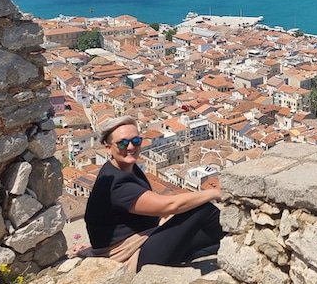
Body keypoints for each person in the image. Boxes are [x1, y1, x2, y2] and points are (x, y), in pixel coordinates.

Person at [84, 115, 223, 272]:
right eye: (122, 143)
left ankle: (228, 242)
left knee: (203, 233)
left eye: (135, 141)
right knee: (202, 210)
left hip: (141, 243)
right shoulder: (118, 185)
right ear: (108, 148)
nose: (130, 147)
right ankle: (239, 240)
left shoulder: (125, 168)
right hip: (130, 259)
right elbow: (169, 206)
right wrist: (214, 193)